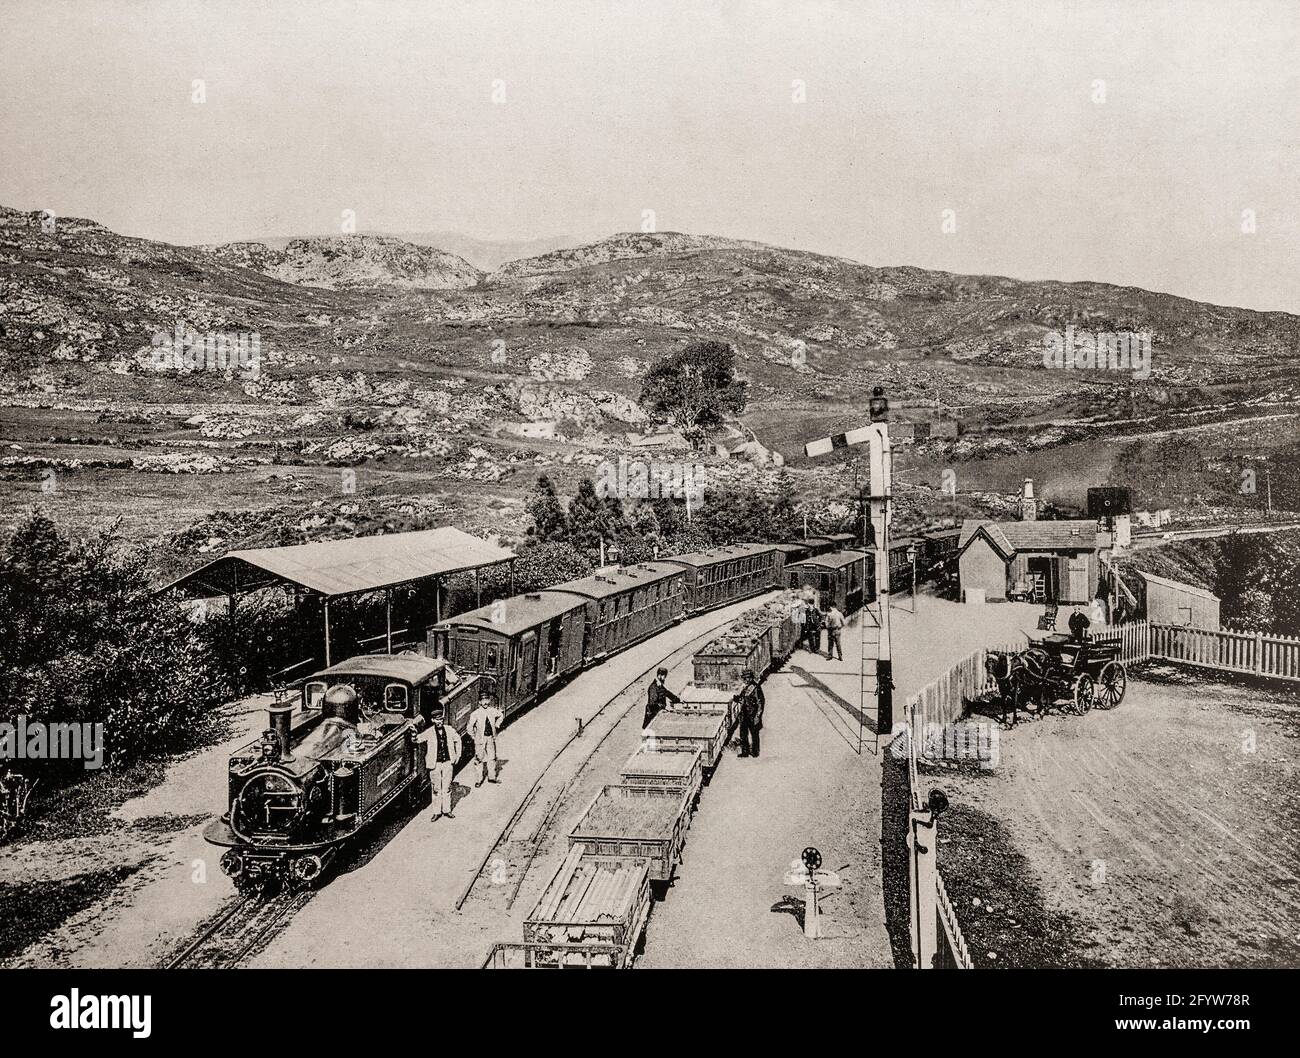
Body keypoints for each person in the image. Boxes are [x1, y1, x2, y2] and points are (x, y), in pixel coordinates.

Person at [416, 715, 463, 821]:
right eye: (437, 719)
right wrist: (413, 734)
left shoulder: (449, 730)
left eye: (441, 719)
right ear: (433, 720)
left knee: (447, 787)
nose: (439, 721)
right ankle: (437, 812)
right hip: (435, 764)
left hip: (447, 763)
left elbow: (458, 740)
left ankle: (447, 810)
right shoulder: (429, 732)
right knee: (436, 788)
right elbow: (417, 739)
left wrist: (458, 755)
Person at [467, 694, 505, 786]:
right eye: (483, 700)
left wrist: (497, 725)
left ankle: (491, 777)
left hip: (490, 738)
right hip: (480, 739)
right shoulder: (475, 714)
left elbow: (501, 715)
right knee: (479, 759)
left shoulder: (492, 711)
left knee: (492, 757)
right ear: (479, 702)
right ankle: (478, 780)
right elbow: (469, 727)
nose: (485, 702)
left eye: (487, 700)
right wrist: (474, 736)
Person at [735, 670, 765, 758]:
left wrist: (758, 716)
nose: (745, 680)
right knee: (743, 734)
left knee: (754, 734)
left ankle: (755, 752)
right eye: (744, 678)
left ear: (751, 678)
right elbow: (742, 698)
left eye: (747, 678)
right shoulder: (746, 687)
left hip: (753, 715)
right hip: (744, 714)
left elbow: (760, 703)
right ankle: (745, 752)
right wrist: (737, 699)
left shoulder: (755, 688)